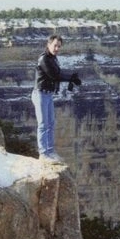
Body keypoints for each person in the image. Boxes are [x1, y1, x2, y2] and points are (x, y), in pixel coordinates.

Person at [32, 35, 81, 163]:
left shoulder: (53, 59)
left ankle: (50, 151)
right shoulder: (44, 59)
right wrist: (71, 77)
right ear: (48, 44)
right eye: (55, 45)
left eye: (59, 46)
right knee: (43, 124)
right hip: (40, 94)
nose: (57, 48)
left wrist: (71, 78)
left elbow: (57, 73)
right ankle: (43, 154)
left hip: (47, 94)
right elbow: (54, 75)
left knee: (50, 124)